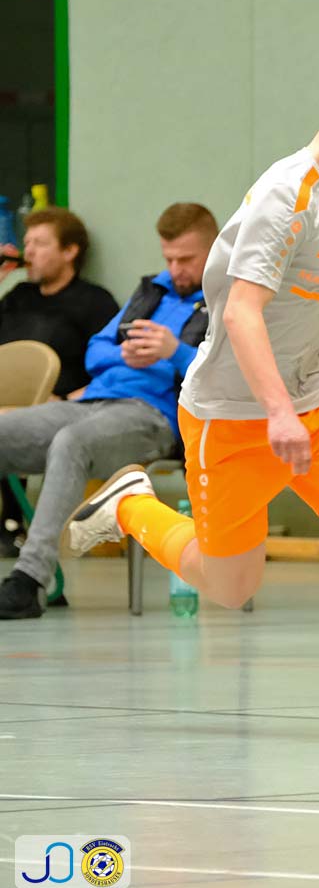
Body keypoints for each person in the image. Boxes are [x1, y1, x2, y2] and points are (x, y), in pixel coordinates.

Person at [62, 40, 319, 737]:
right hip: (232, 414)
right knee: (229, 586)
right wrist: (277, 413)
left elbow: (312, 284)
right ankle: (130, 506)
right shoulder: (286, 197)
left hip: (313, 398)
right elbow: (243, 311)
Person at [0, 203, 216, 618]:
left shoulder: (228, 299)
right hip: (92, 401)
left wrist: (174, 351)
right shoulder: (152, 291)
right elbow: (95, 350)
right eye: (169, 258)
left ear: (213, 249)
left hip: (153, 416)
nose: (175, 269)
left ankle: (29, 581)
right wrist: (125, 353)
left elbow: (230, 374)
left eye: (186, 259)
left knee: (72, 442)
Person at [0, 208, 119, 556]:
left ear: (69, 251)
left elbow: (115, 369)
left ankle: (13, 523)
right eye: (27, 243)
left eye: (40, 243)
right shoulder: (18, 296)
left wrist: (67, 400)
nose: (30, 251)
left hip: (62, 407)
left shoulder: (94, 302)